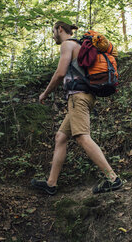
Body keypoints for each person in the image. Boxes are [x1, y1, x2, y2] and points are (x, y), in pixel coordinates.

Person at [31, 21, 122, 195]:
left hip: (77, 97)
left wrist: (45, 93)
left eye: (53, 32)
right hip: (85, 96)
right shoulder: (79, 45)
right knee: (61, 137)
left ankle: (112, 179)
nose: (53, 36)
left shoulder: (67, 45)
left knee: (82, 137)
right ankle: (51, 184)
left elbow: (60, 73)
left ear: (59, 29)